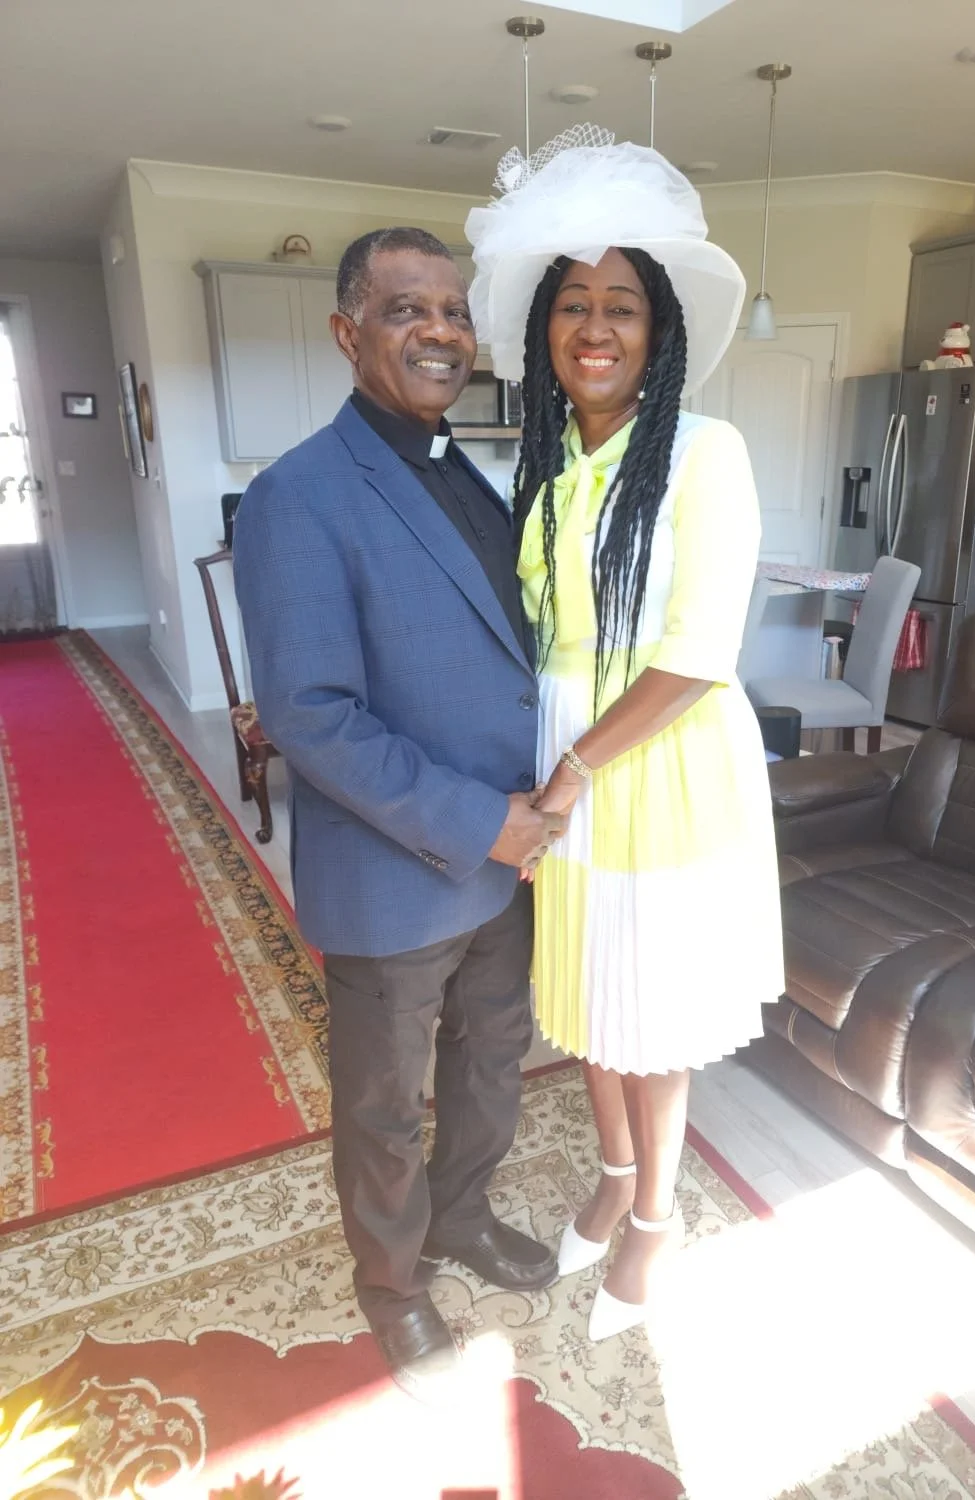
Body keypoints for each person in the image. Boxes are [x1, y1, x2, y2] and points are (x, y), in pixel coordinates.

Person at [233, 227, 566, 1395]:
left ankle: (461, 1221)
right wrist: (486, 820)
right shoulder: (298, 494)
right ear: (348, 332)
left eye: (455, 312)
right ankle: (392, 1285)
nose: (440, 331)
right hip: (400, 864)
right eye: (404, 309)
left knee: (491, 1061)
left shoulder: (459, 465)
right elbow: (310, 716)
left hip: (503, 855)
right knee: (385, 1104)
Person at [466, 130, 785, 1340]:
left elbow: (701, 656)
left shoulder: (707, 454)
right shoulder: (545, 469)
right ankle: (611, 1174)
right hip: (567, 753)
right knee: (592, 993)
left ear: (660, 333)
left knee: (653, 1012)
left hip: (656, 759)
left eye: (625, 308)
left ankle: (656, 1215)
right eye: (575, 305)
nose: (597, 329)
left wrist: (570, 771)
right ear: (547, 330)